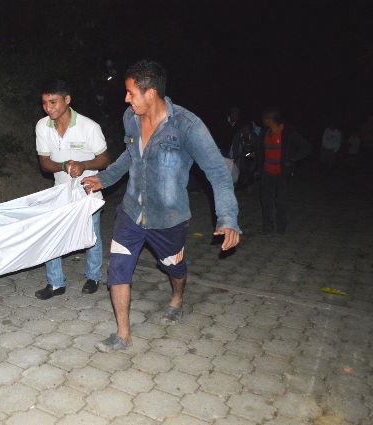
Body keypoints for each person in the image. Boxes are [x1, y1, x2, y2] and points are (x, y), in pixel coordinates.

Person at [81, 60, 241, 352]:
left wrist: (228, 218)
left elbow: (217, 172)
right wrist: (104, 178)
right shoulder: (131, 117)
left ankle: (178, 296)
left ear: (150, 93)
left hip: (168, 219)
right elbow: (131, 155)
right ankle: (123, 335)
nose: (126, 99)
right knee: (118, 268)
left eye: (131, 92)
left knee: (174, 267)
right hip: (130, 212)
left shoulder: (187, 126)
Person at [35, 78, 111, 299]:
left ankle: (93, 276)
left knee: (92, 235)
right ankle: (56, 282)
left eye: (53, 102)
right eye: (44, 103)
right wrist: (63, 166)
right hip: (60, 190)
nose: (48, 108)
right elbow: (44, 162)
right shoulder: (42, 126)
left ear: (67, 100)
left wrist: (84, 165)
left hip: (89, 189)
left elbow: (105, 159)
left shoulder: (88, 126)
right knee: (52, 234)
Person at [257, 107, 312, 236]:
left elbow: (307, 147)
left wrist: (292, 159)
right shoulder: (264, 132)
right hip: (267, 173)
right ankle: (267, 228)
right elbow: (261, 149)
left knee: (282, 202)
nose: (262, 121)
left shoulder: (288, 133)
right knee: (266, 201)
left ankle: (281, 227)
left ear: (269, 120)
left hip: (283, 174)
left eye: (264, 119)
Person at [230, 122, 259, 192]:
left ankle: (250, 185)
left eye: (247, 130)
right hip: (245, 153)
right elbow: (235, 146)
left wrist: (254, 153)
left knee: (251, 170)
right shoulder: (238, 135)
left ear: (250, 131)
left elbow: (258, 149)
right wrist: (234, 157)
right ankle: (239, 187)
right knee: (242, 169)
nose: (245, 131)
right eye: (244, 129)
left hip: (253, 154)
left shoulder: (254, 137)